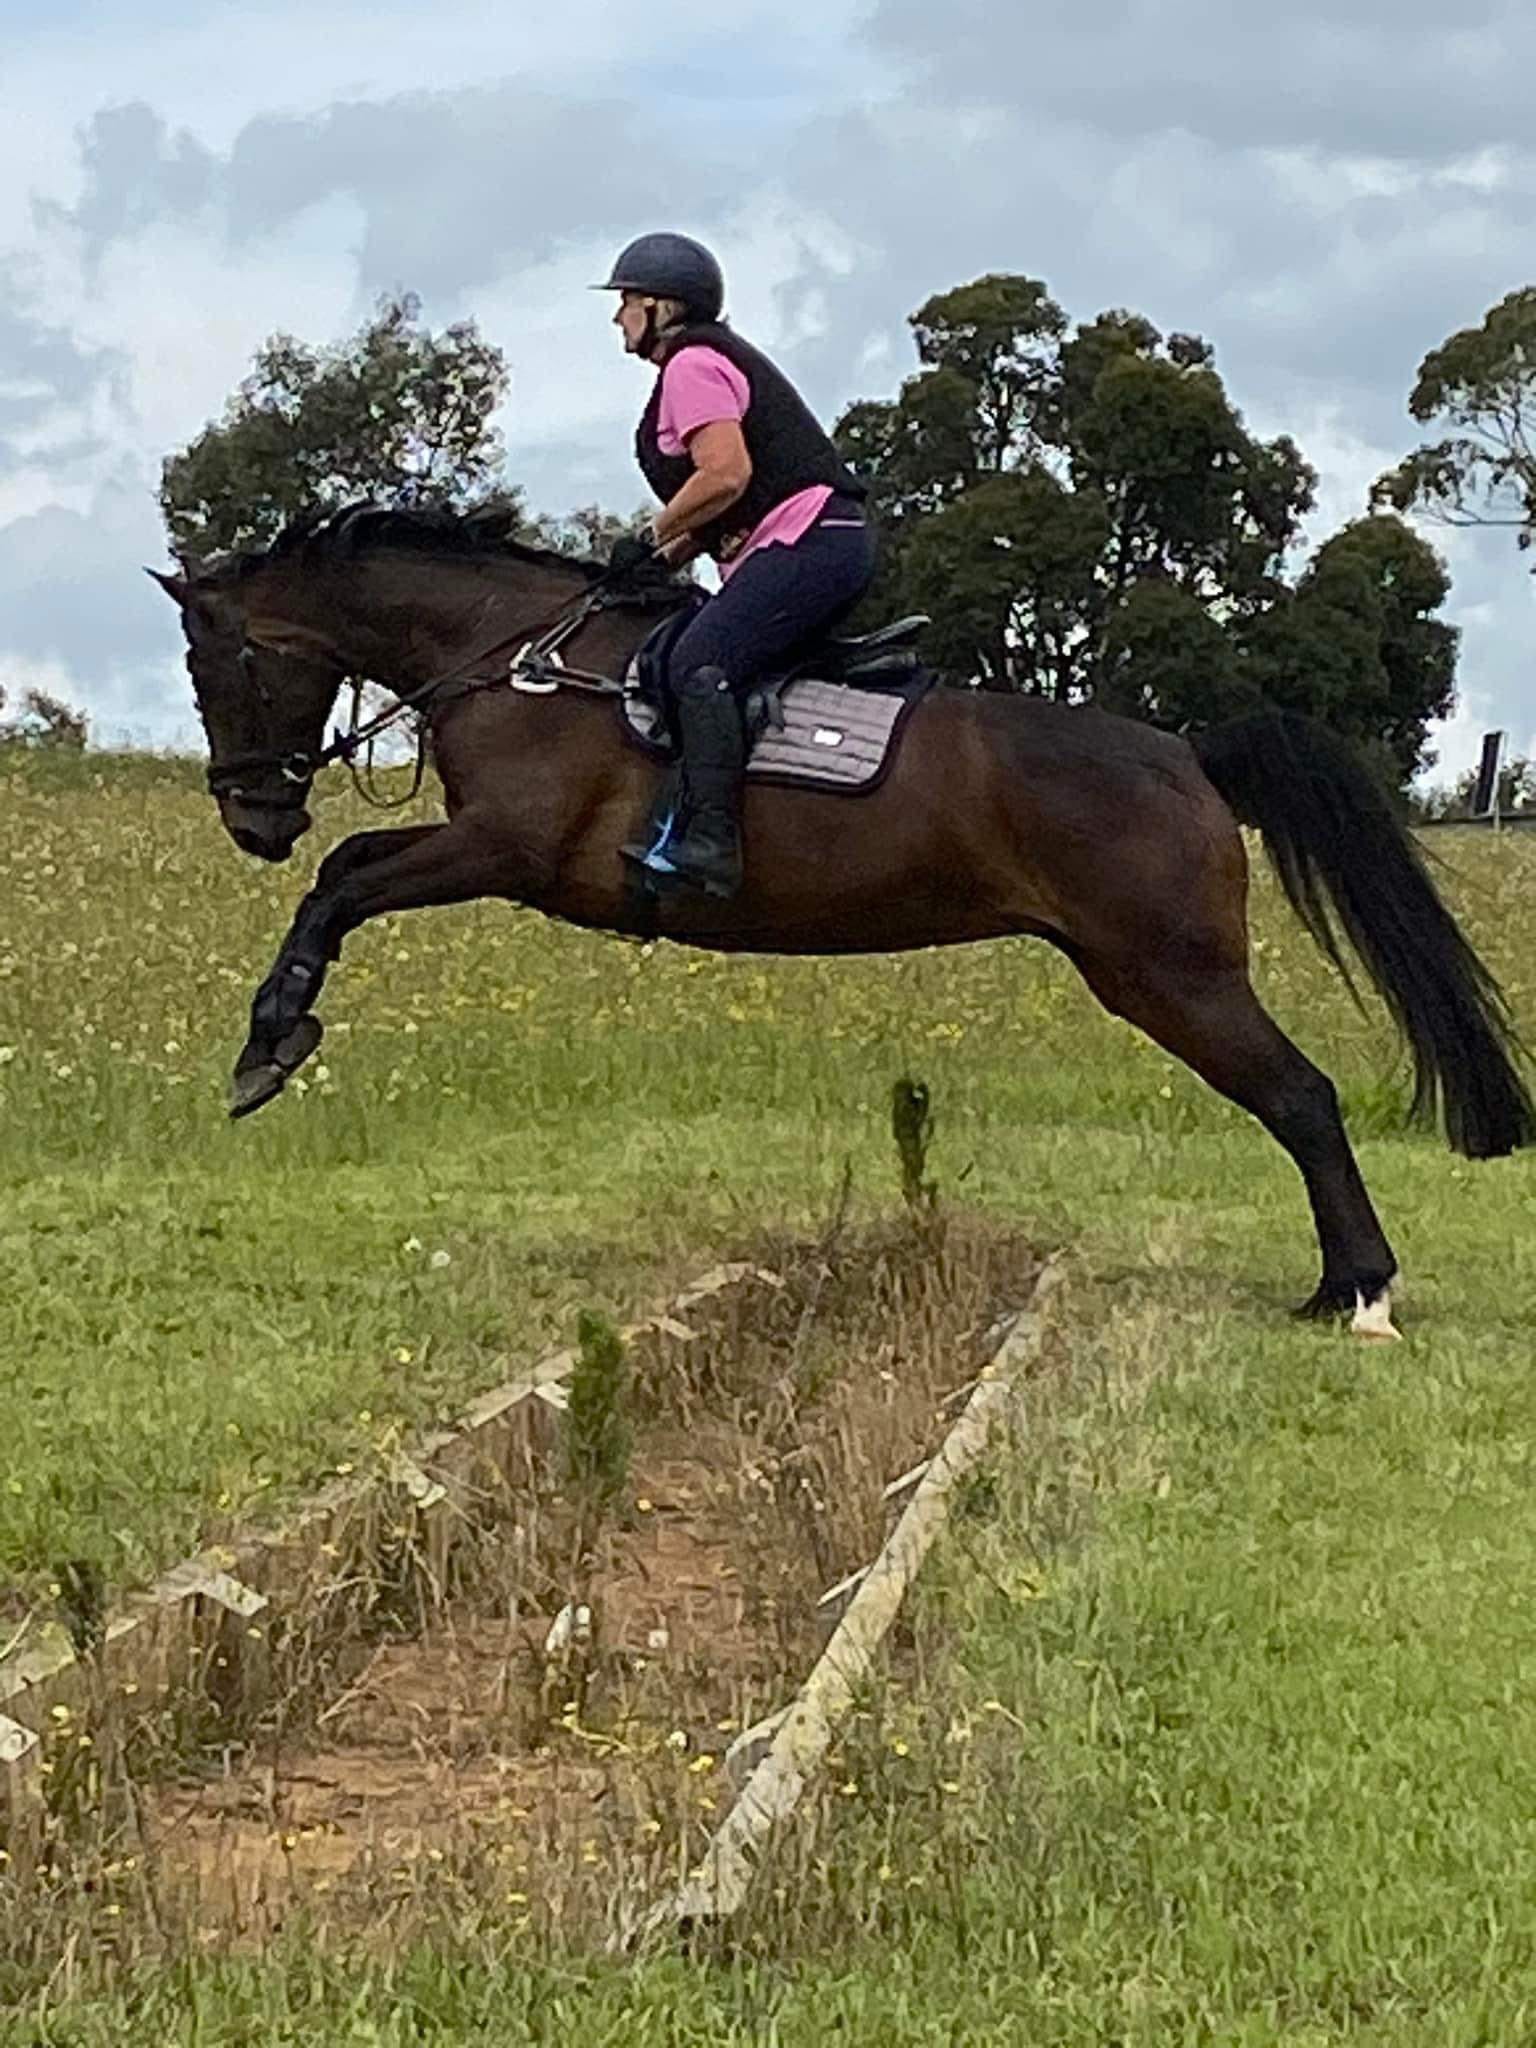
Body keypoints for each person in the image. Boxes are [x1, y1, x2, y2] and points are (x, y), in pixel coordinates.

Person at [596, 232, 875, 899]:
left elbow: (724, 475)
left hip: (813, 539)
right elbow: (726, 510)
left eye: (627, 300)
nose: (618, 317)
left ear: (662, 306)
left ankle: (711, 845)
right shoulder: (693, 368)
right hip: (808, 539)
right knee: (677, 656)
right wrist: (656, 561)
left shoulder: (692, 365)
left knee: (701, 664)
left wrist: (649, 531)